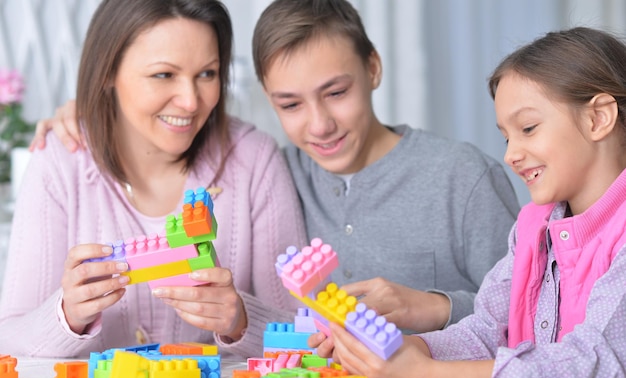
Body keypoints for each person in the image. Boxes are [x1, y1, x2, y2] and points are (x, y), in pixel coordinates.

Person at [31, 0, 519, 354]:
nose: (319, 124)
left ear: (373, 68)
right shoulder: (285, 171)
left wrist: (436, 307)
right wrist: (89, 113)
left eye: (336, 92)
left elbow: (540, 317)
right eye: (289, 104)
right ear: (267, 98)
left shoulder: (463, 178)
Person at [328, 26, 626, 378]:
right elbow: (487, 330)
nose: (511, 154)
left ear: (598, 118)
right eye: (506, 137)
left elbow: (590, 361)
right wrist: (410, 349)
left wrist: (423, 375)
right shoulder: (532, 227)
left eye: (528, 129)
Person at [0, 0, 307, 359]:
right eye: (164, 75)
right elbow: (8, 337)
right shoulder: (58, 162)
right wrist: (67, 315)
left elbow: (308, 333)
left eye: (207, 74)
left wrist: (241, 321)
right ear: (107, 72)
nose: (191, 101)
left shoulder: (254, 159)